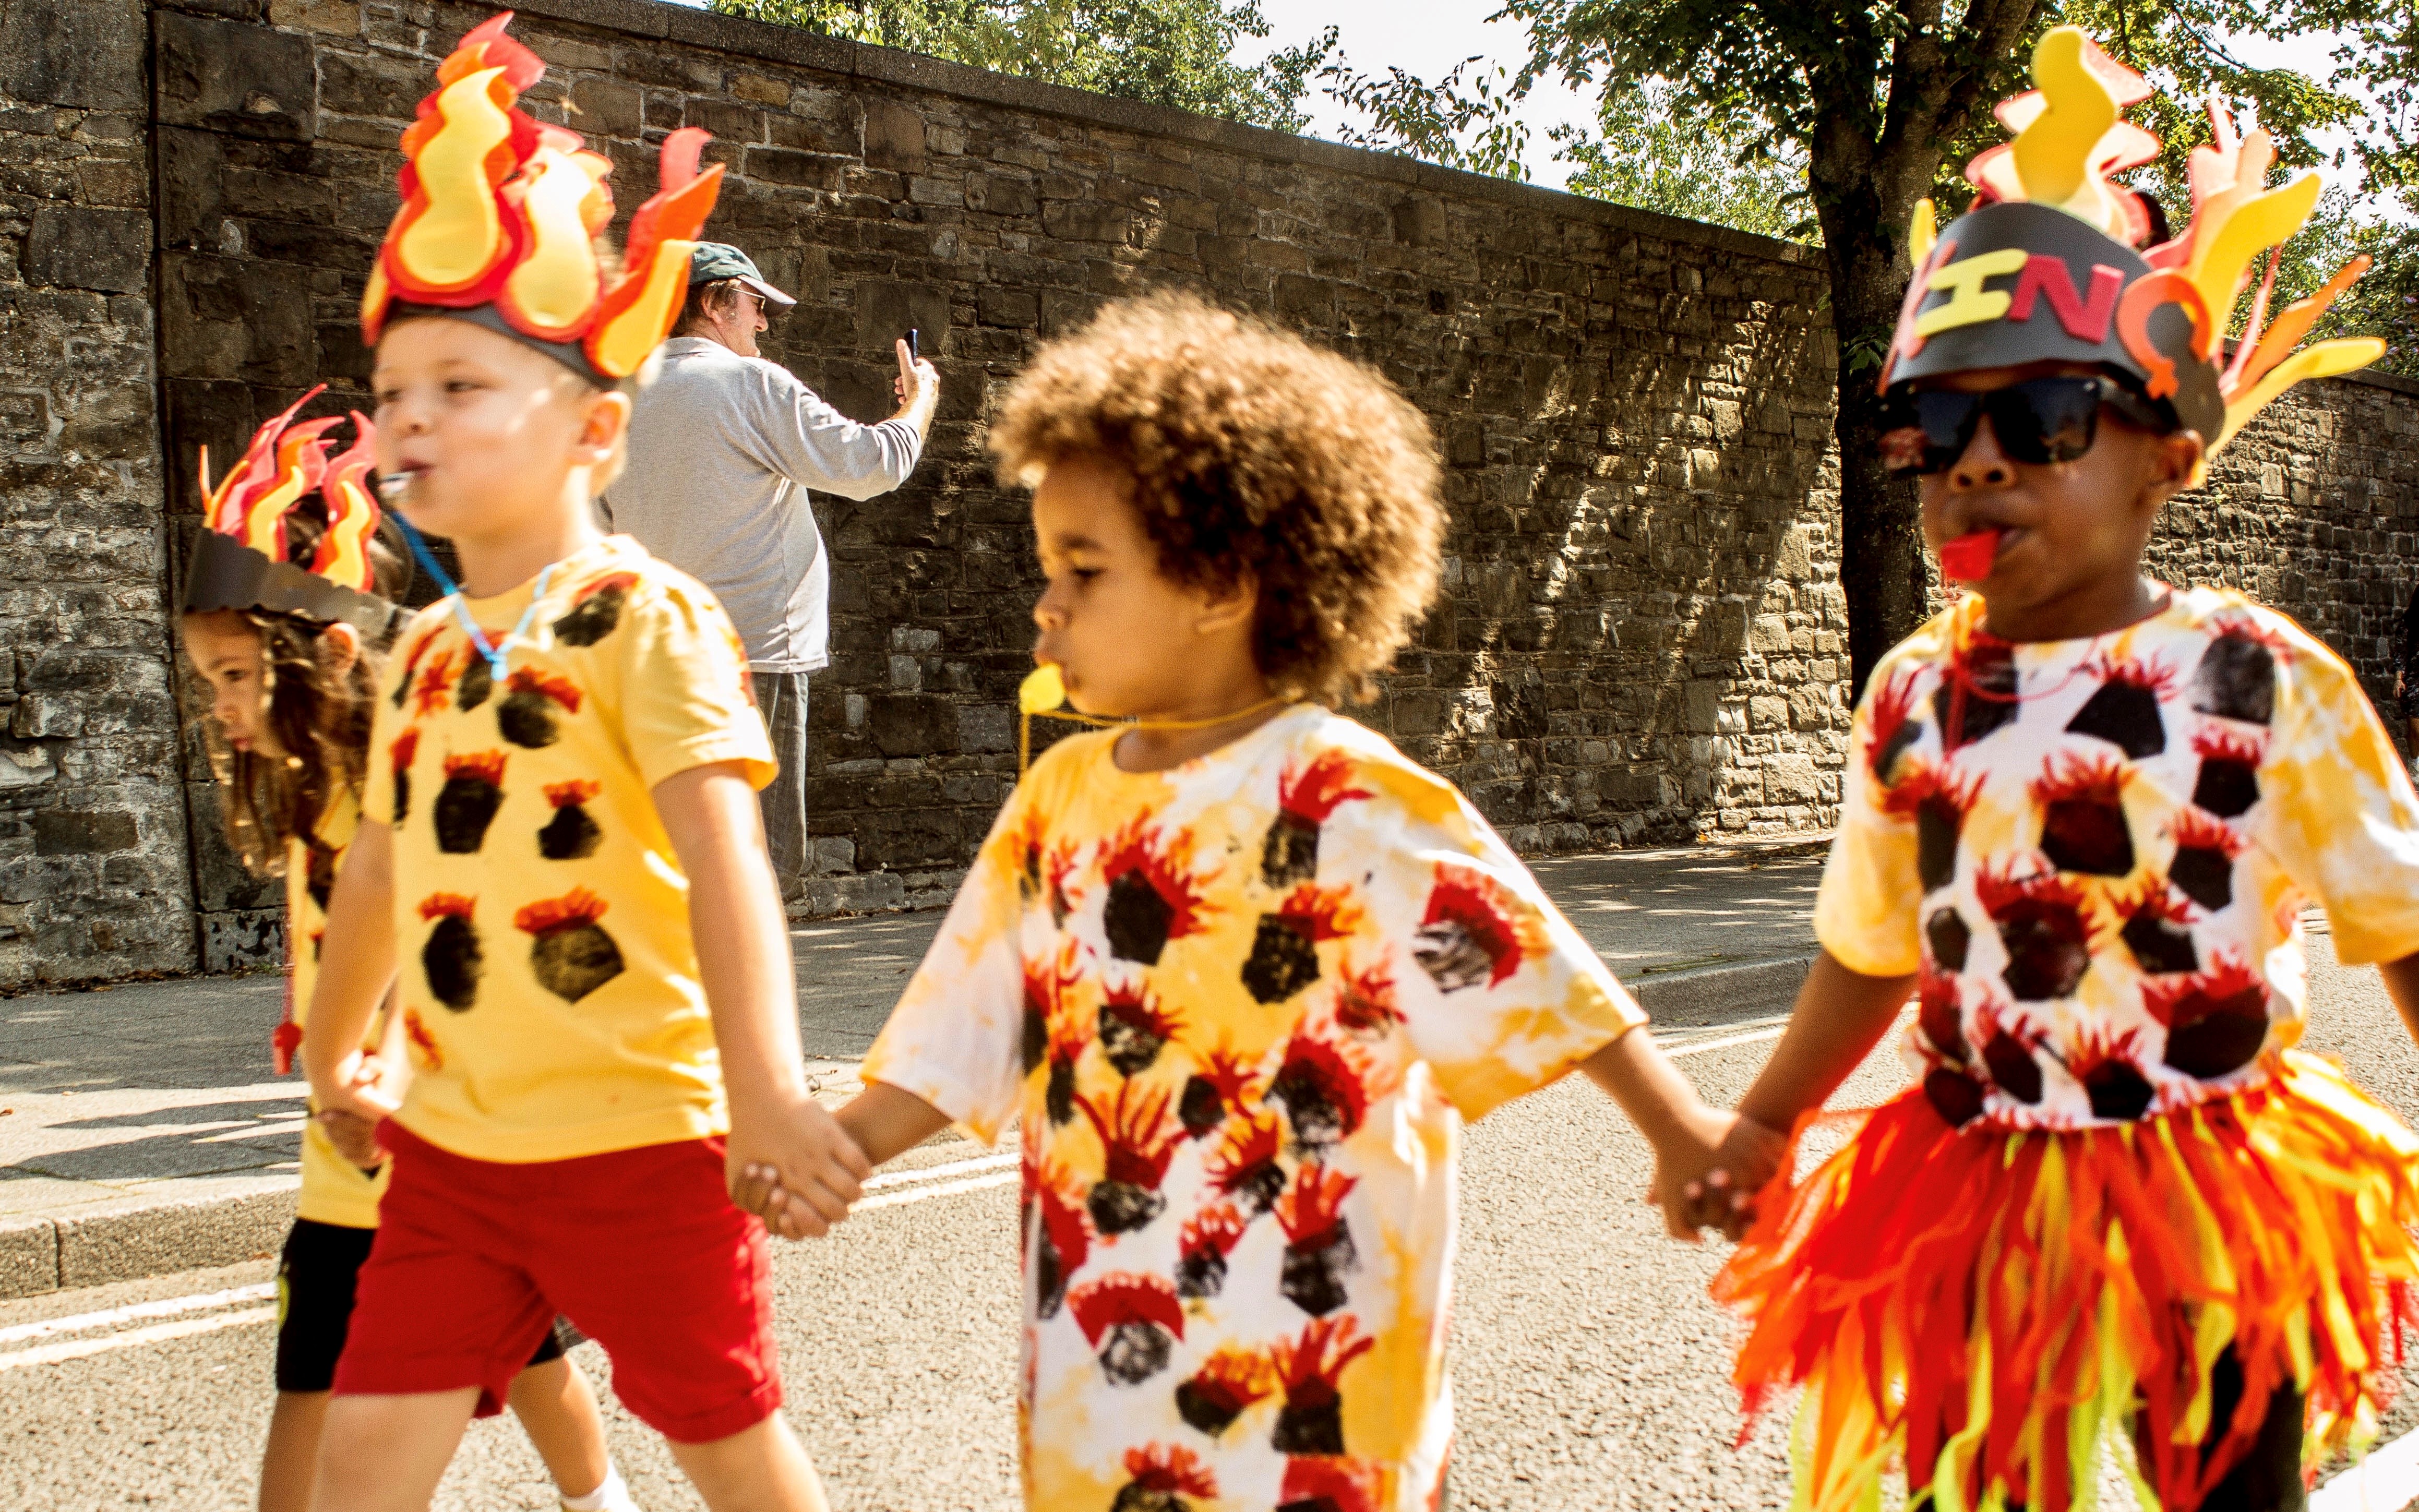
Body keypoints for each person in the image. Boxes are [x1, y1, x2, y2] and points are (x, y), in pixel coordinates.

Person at [734, 291, 1751, 1511]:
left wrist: (1680, 1125)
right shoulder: (1060, 797)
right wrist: (839, 1148)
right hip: (1102, 1348)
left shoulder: (1353, 796)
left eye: (1083, 569)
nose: (1045, 604)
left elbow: (1532, 969)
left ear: (1221, 586)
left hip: (1321, 1358)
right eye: (1048, 566)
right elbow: (973, 1016)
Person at [1682, 29, 2417, 1512]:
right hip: (1978, 1187)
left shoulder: (2260, 680)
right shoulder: (1913, 694)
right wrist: (1763, 1116)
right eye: (1936, 428)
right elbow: (1870, 942)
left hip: (2206, 1176)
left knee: (2222, 1484)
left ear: (2167, 452)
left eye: (2042, 419)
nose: (1976, 463)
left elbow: (2401, 921)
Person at [297, 17, 870, 1511]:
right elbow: (377, 865)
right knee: (363, 1451)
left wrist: (765, 1094)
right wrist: (338, 1043)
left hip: (648, 1151)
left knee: (728, 1447)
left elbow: (726, 859)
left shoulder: (647, 615)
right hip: (453, 1162)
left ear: (595, 431)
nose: (410, 415)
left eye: (462, 385)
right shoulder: (416, 655)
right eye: (398, 387)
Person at [177, 392, 638, 1512]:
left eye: (238, 676)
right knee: (515, 1355)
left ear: (329, 649)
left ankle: (605, 1502)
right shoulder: (313, 789)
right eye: (210, 684)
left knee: (386, 1379)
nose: (224, 708)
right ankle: (605, 1503)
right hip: (365, 1152)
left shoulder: (395, 786)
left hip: (422, 1140)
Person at [604, 242, 940, 907]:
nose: (763, 323)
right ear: (713, 302)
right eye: (756, 305)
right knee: (760, 863)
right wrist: (920, 399)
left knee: (666, 859)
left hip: (647, 662)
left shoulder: (616, 401)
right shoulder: (751, 385)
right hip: (754, 657)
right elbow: (874, 464)